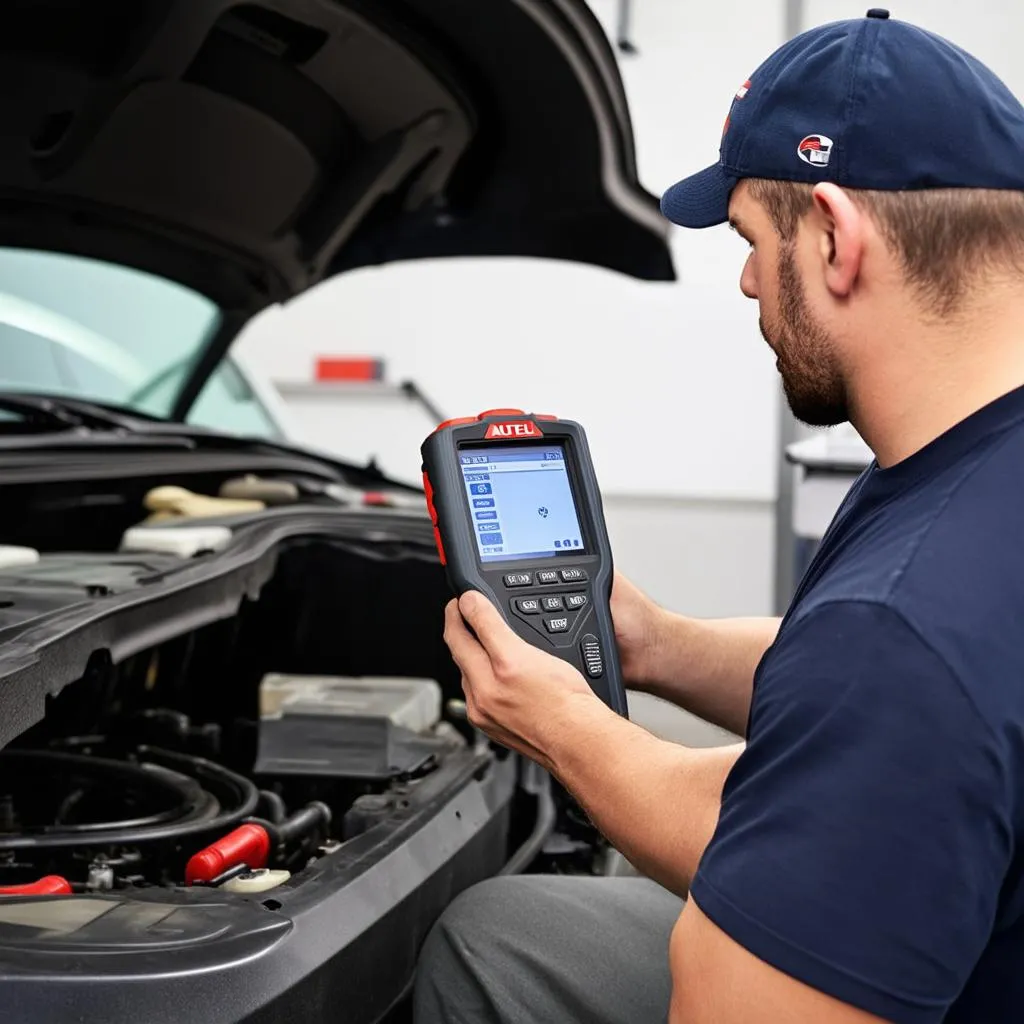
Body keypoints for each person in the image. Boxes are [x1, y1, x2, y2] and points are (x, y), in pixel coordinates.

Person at [414, 10, 1024, 1023]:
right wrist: (659, 646)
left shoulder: (903, 626)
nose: (746, 281)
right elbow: (861, 737)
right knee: (506, 935)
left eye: (749, 238)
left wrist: (562, 729)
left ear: (835, 235)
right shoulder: (968, 475)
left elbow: (887, 689)